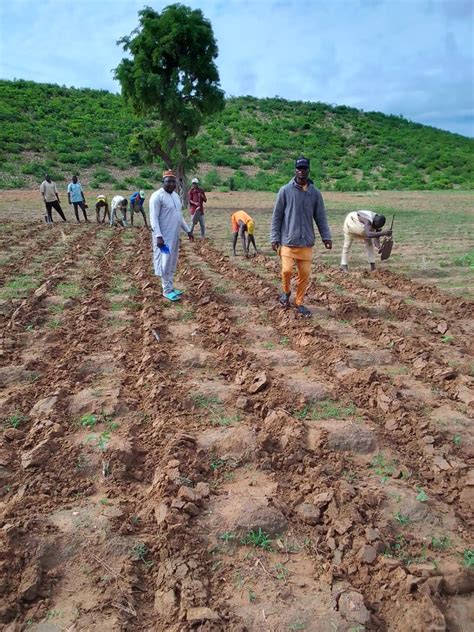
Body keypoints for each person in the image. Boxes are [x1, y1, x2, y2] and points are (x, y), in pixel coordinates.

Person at [270, 156, 332, 318]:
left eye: (304, 168)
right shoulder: (285, 191)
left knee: (304, 275)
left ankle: (299, 302)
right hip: (288, 241)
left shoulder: (315, 193)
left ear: (308, 170)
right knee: (286, 270)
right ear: (295, 170)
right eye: (299, 168)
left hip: (306, 242)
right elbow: (277, 216)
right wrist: (274, 237)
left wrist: (326, 237)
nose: (301, 171)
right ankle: (285, 292)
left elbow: (320, 217)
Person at [149, 170, 194, 301]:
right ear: (163, 181)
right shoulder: (157, 196)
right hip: (163, 238)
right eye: (168, 181)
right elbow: (154, 218)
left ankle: (170, 286)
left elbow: (179, 217)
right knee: (164, 262)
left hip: (174, 237)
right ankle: (166, 290)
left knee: (172, 261)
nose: (171, 184)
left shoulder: (175, 196)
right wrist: (158, 236)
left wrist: (188, 230)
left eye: (173, 181)